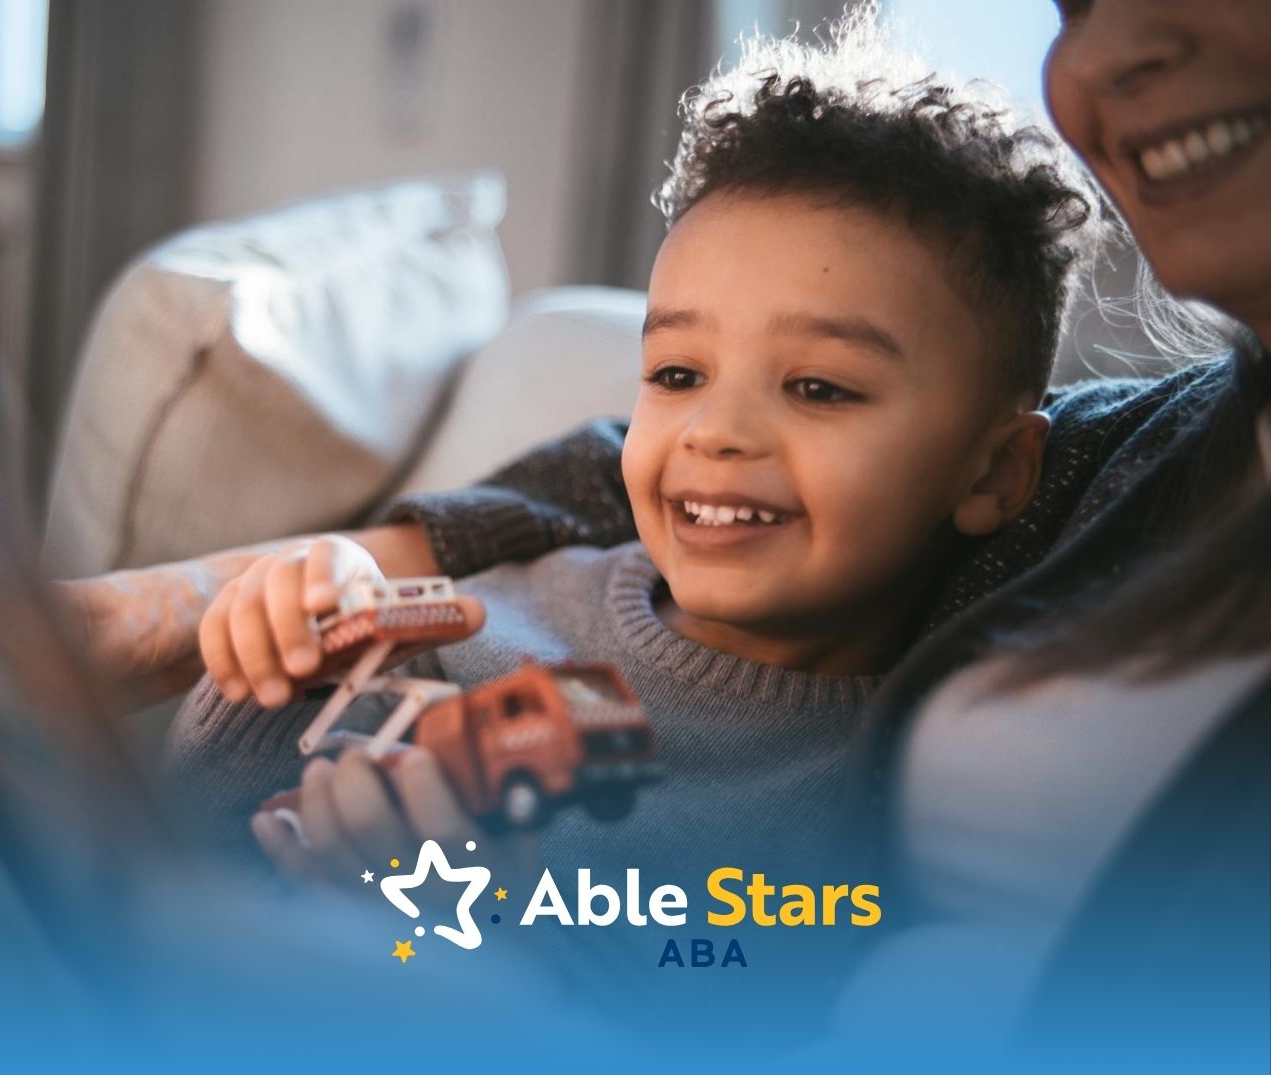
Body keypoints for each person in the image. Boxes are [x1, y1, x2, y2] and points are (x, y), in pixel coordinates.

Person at [165, 21, 1098, 1038]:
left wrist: (479, 951)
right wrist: (274, 664)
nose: (715, 432)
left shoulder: (898, 814)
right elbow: (171, 862)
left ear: (994, 471)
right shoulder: (491, 610)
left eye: (818, 387)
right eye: (677, 375)